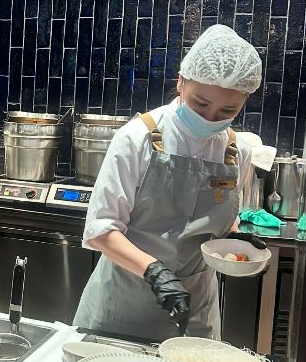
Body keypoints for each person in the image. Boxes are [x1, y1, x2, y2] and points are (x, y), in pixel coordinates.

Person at [74, 24, 266, 340]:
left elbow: (220, 223)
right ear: (180, 82)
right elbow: (101, 230)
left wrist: (237, 239)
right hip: (126, 304)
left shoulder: (237, 152)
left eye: (227, 110)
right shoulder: (137, 138)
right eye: (200, 103)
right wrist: (155, 272)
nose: (210, 117)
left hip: (196, 309)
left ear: (244, 101)